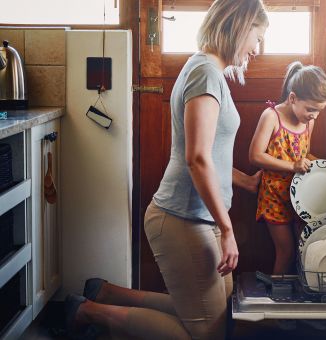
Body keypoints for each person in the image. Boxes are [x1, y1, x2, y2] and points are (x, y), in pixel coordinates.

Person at [63, 1, 268, 339]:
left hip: (199, 217)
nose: (257, 50)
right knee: (208, 333)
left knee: (216, 312)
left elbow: (210, 155)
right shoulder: (204, 73)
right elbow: (197, 158)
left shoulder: (208, 70)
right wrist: (228, 230)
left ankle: (106, 293)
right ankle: (89, 312)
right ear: (239, 28)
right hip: (181, 218)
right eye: (257, 39)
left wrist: (245, 182)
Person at [249, 61, 326, 275]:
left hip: (302, 195)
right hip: (274, 197)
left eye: (319, 111)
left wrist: (325, 165)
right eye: (311, 109)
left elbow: (303, 155)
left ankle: (300, 296)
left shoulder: (308, 121)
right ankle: (278, 302)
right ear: (293, 99)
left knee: (305, 249)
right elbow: (255, 156)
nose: (314, 116)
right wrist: (292, 165)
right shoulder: (271, 116)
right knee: (286, 251)